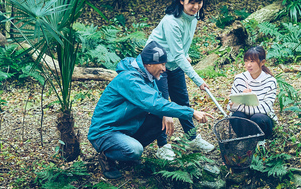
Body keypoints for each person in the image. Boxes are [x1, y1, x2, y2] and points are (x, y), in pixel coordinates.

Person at [87, 41, 214, 179]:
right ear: (148, 64)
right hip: (105, 132)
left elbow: (158, 99)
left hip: (125, 127)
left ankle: (125, 154)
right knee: (135, 150)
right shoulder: (130, 79)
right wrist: (191, 112)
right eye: (162, 64)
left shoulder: (147, 76)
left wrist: (165, 113)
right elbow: (154, 103)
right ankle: (108, 156)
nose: (164, 69)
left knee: (161, 118)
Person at [146, 0, 215, 160]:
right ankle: (163, 146)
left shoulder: (194, 16)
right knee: (161, 104)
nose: (196, 6)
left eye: (199, 2)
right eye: (191, 2)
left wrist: (185, 54)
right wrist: (198, 79)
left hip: (174, 62)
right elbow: (176, 53)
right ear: (181, 0)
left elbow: (182, 44)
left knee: (182, 101)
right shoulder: (171, 21)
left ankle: (191, 138)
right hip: (156, 64)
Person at [229, 46, 278, 139]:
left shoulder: (270, 81)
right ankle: (245, 140)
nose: (248, 65)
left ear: (262, 62)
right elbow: (230, 106)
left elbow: (265, 108)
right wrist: (241, 97)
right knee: (236, 117)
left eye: (252, 61)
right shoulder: (240, 79)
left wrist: (238, 106)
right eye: (246, 61)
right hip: (245, 119)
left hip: (262, 119)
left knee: (257, 118)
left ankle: (260, 141)